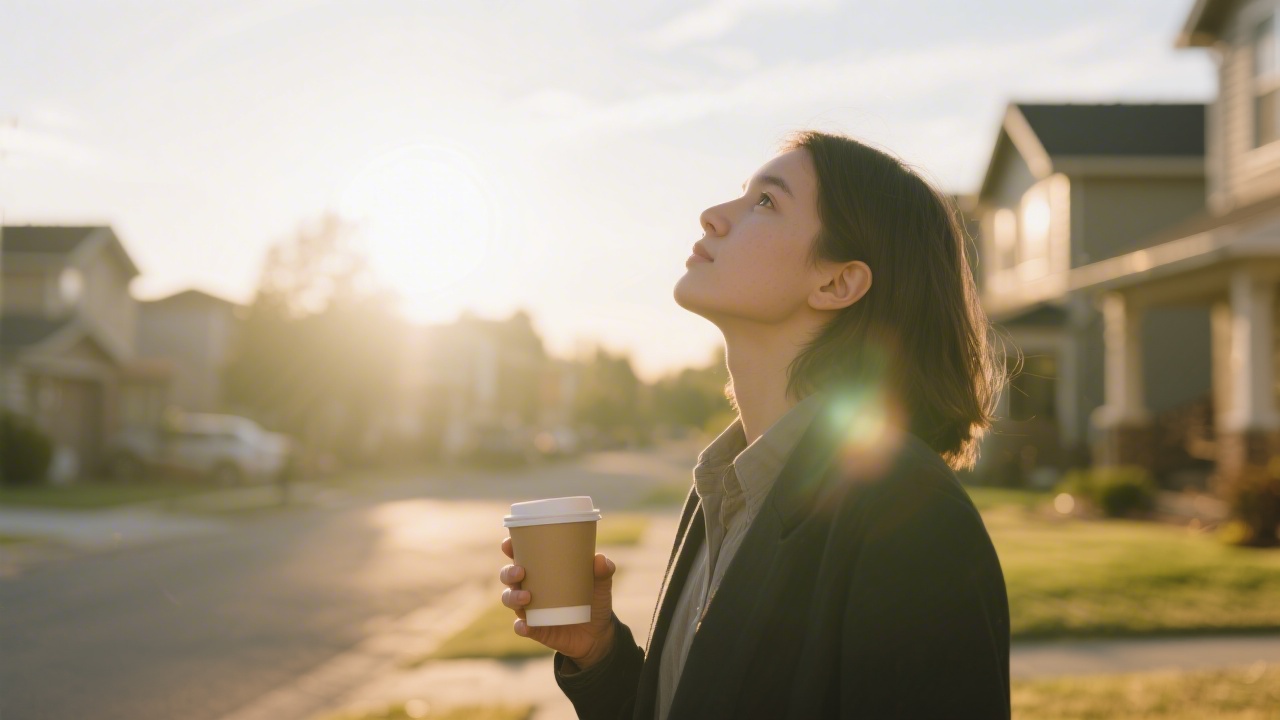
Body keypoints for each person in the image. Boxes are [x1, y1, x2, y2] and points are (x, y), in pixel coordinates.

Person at [499, 130, 1011, 719]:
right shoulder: (723, 490)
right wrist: (600, 655)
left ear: (836, 282)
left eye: (766, 202)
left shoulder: (911, 519)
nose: (714, 216)